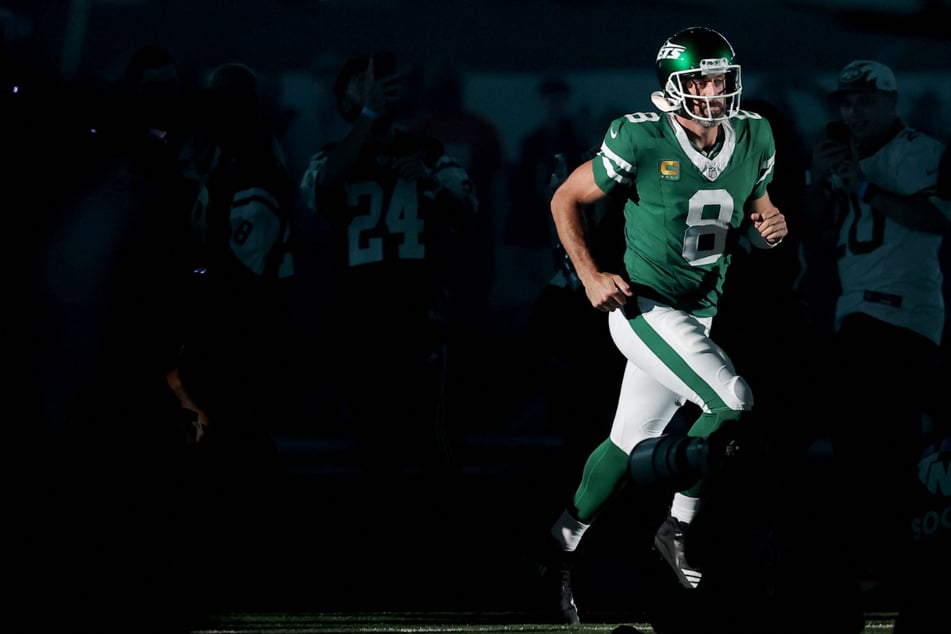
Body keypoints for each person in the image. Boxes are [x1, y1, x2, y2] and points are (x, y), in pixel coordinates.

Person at [537, 26, 788, 625]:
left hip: (700, 310)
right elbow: (564, 198)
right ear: (673, 87)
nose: (714, 89)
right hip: (643, 307)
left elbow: (758, 200)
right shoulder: (641, 137)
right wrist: (591, 275)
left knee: (626, 444)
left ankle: (559, 546)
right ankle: (675, 526)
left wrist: (769, 217)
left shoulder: (754, 133)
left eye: (721, 77)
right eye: (700, 78)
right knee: (733, 400)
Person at [804, 59, 950, 625]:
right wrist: (821, 180)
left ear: (892, 101)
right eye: (847, 101)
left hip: (902, 316)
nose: (854, 110)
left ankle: (891, 568)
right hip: (855, 313)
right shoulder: (842, 155)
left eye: (866, 100)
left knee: (882, 450)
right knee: (857, 451)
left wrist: (861, 184)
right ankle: (876, 566)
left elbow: (936, 218)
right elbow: (816, 223)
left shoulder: (921, 151)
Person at [299, 54, 478, 479]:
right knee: (372, 439)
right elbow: (323, 186)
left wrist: (428, 181)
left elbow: (466, 209)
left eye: (377, 84)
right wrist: (369, 115)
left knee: (430, 436)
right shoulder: (330, 155)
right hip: (359, 316)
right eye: (361, 85)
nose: (373, 90)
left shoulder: (428, 153)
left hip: (419, 312)